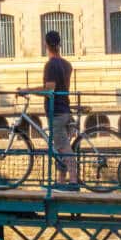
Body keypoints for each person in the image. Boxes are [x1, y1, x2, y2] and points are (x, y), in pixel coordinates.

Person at [36, 27, 78, 189]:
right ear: (60, 44)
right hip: (66, 108)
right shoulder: (67, 64)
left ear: (46, 44)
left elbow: (49, 88)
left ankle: (73, 180)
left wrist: (27, 90)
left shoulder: (51, 65)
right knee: (59, 147)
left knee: (62, 146)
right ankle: (61, 181)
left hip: (57, 111)